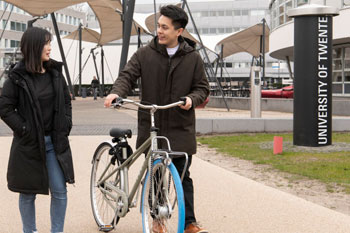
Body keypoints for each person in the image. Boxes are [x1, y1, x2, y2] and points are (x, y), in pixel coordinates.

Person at [104, 5, 209, 233]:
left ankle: (189, 221)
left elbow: (202, 88)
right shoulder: (145, 53)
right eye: (158, 26)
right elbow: (127, 75)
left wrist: (192, 99)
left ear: (178, 31)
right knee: (156, 174)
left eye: (164, 27)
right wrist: (116, 92)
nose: (159, 31)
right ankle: (157, 221)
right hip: (152, 124)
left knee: (182, 175)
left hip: (181, 125)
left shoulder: (193, 58)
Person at [0, 27, 74, 233]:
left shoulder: (55, 73)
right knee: (27, 193)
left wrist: (66, 123)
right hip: (29, 144)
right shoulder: (17, 77)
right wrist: (24, 129)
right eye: (46, 43)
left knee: (59, 191)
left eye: (50, 43)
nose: (50, 48)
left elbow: (66, 101)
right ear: (34, 47)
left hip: (54, 143)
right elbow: (5, 108)